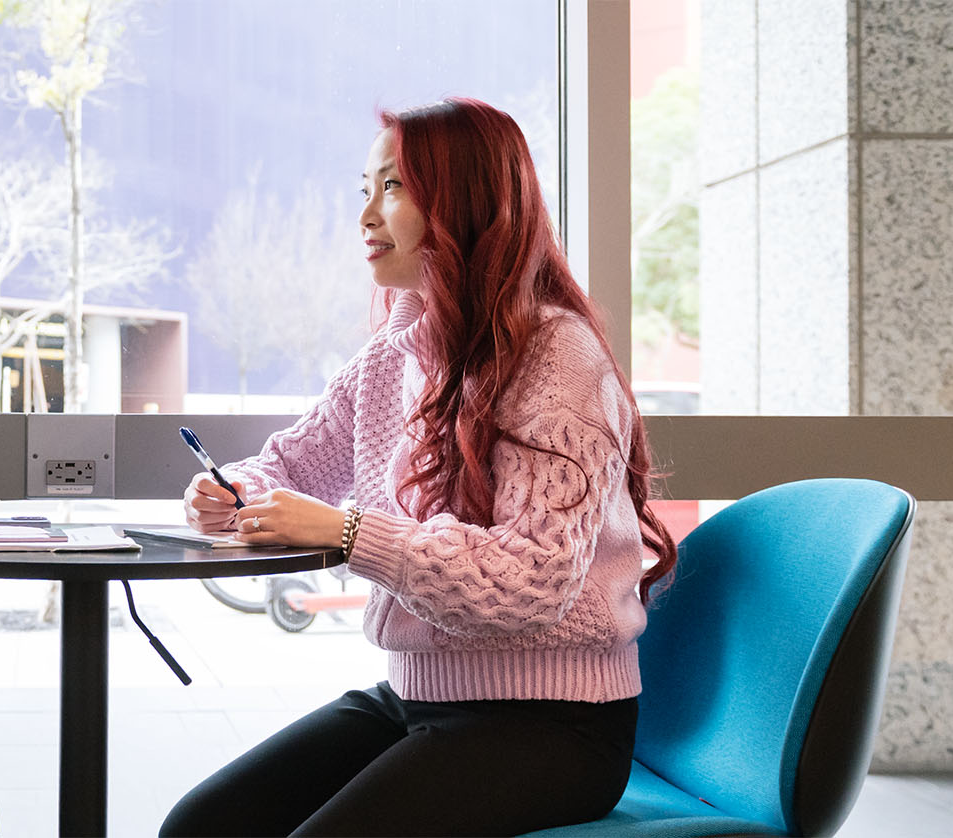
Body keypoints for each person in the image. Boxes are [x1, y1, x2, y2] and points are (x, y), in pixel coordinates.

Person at [160, 98, 679, 837]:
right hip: (419, 699)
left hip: (558, 726)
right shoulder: (391, 356)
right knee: (202, 827)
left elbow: (532, 579)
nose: (366, 216)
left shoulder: (556, 354)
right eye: (364, 190)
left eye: (393, 188)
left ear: (466, 201)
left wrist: (350, 535)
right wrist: (232, 492)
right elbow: (288, 467)